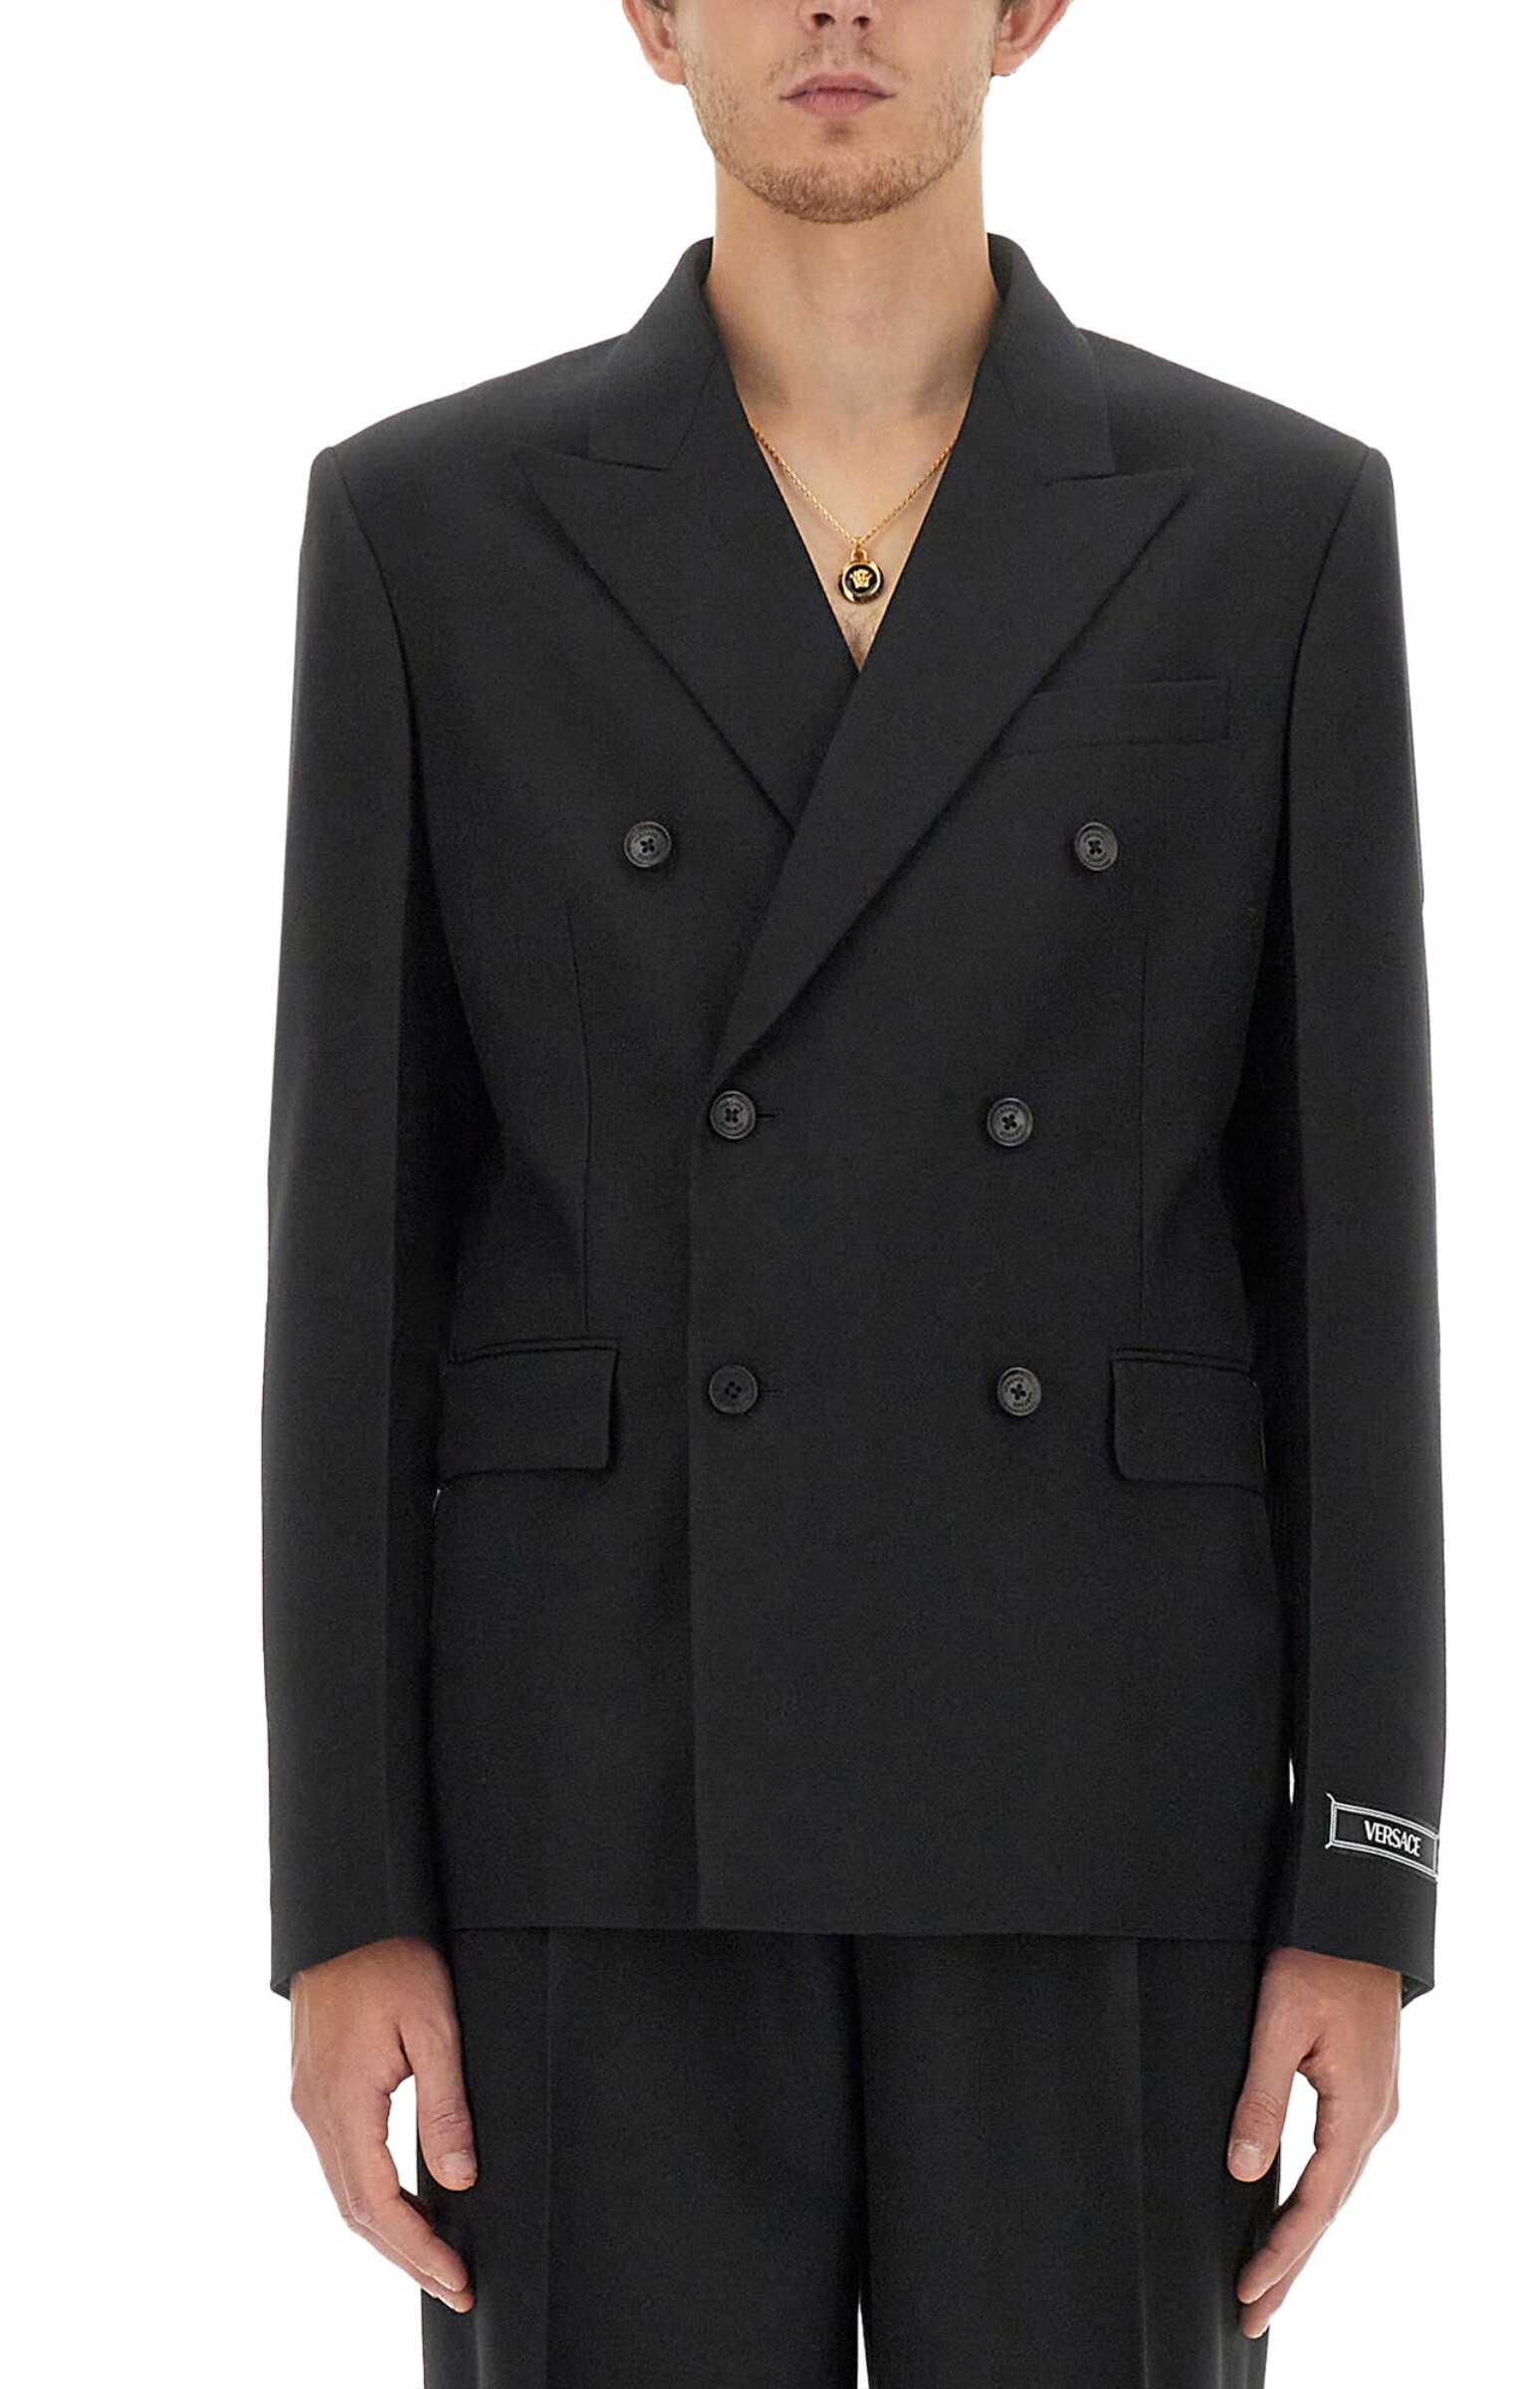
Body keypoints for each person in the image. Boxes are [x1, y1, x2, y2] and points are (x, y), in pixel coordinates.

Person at [261, 3, 1446, 2382]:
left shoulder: (1268, 522)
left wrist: (1361, 1877)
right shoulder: (429, 527)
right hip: (596, 1784)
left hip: (1105, 1786)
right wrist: (345, 1897)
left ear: (1025, 10)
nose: (833, 6)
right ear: (650, 14)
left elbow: (1350, 1252)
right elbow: (350, 1260)